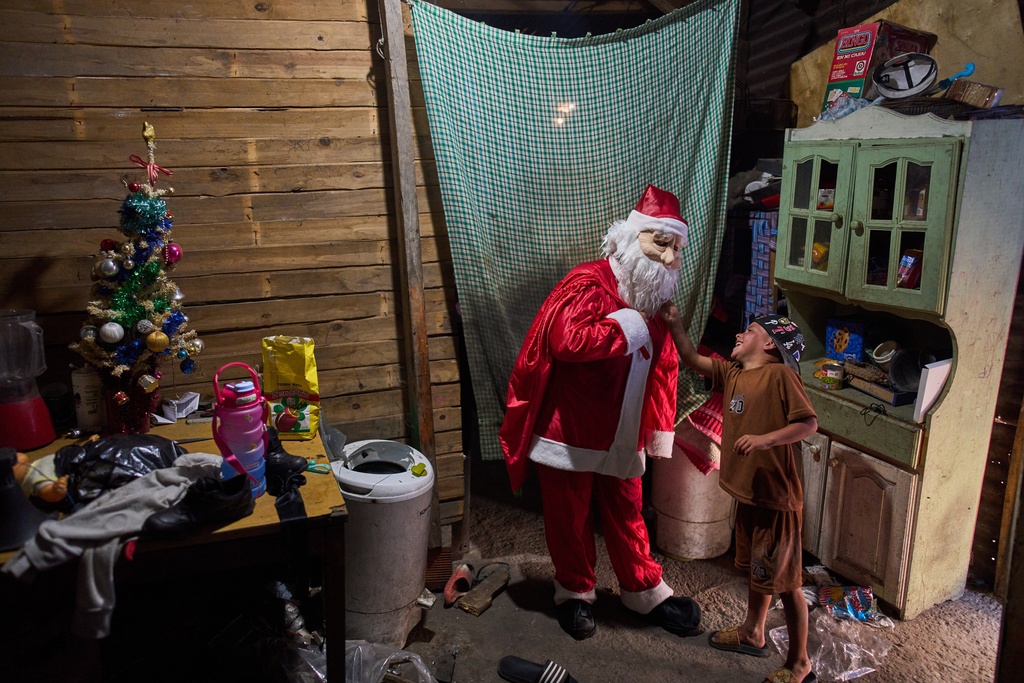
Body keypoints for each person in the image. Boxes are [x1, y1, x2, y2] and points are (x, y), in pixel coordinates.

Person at [499, 184, 702, 641]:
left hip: (623, 428)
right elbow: (565, 341)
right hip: (570, 427)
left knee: (628, 509)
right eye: (660, 243)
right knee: (568, 514)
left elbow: (666, 365)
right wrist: (625, 327)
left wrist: (656, 426)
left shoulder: (653, 302)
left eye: (676, 249)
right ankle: (574, 591)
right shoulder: (588, 282)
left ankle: (643, 588)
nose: (669, 259)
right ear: (631, 238)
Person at [659, 303, 818, 683]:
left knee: (788, 583)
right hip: (749, 496)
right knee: (759, 571)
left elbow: (808, 423)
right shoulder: (733, 373)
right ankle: (753, 632)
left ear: (769, 345)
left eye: (748, 331)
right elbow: (692, 359)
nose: (738, 335)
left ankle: (800, 664)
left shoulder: (781, 376)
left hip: (775, 501)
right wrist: (675, 323)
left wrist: (765, 440)